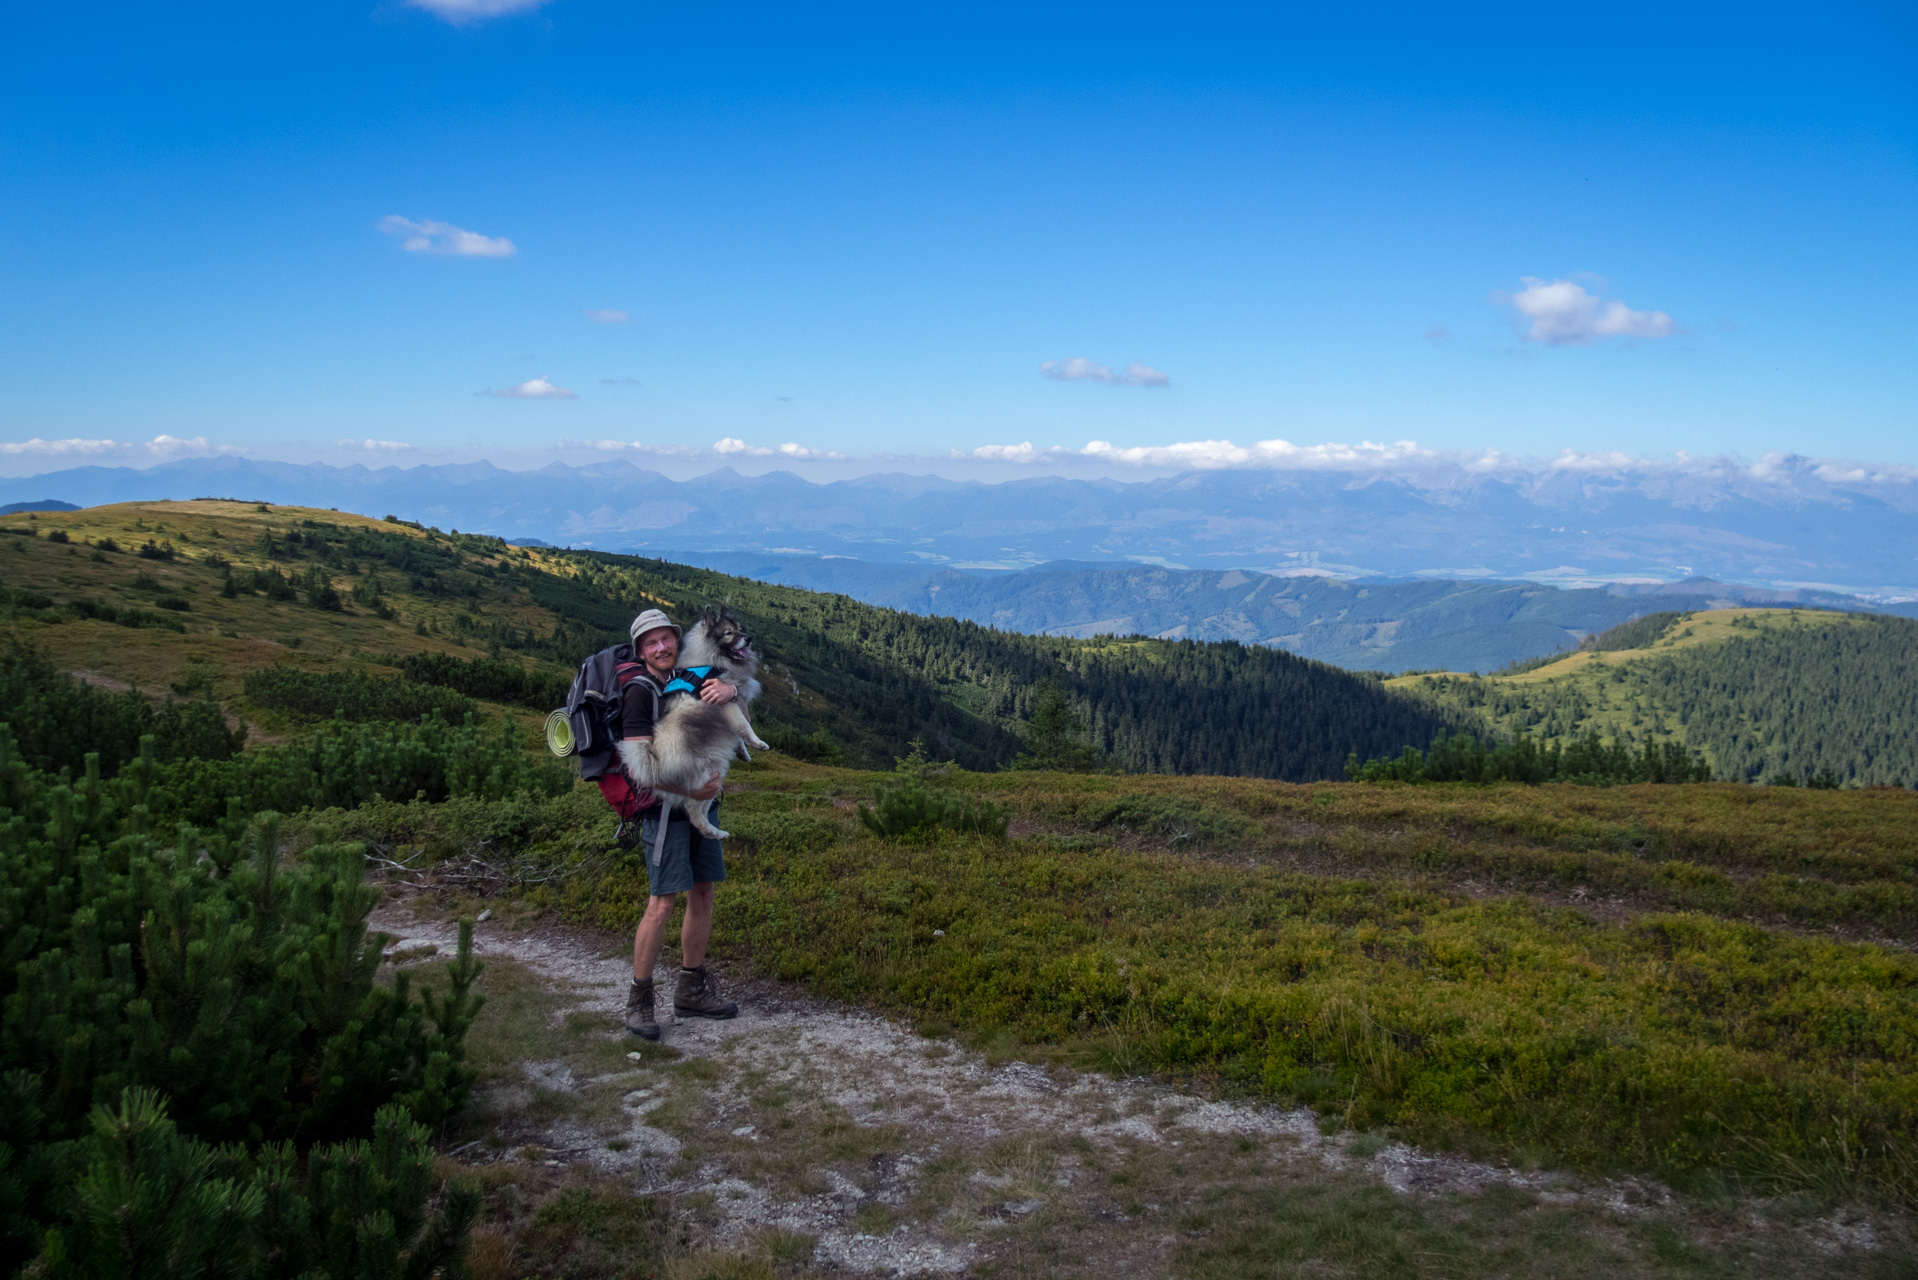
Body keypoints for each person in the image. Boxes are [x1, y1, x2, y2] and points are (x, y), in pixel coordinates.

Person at [619, 608, 742, 1040]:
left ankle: (690, 989)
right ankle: (640, 1002)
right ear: (640, 651)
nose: (661, 647)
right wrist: (693, 794)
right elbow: (640, 768)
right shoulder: (639, 692)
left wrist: (730, 690)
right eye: (651, 643)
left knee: (703, 892)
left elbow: (727, 706)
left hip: (700, 805)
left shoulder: (690, 675)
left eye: (666, 638)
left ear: (677, 639)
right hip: (665, 811)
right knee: (662, 903)